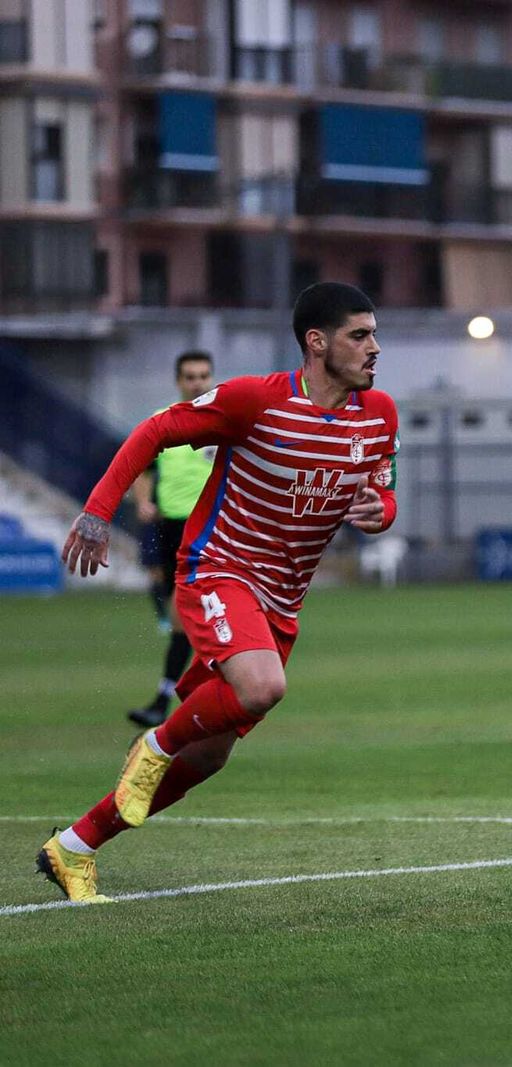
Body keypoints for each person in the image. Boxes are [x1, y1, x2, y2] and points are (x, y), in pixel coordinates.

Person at [37, 282, 398, 904]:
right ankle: (156, 741)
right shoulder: (253, 400)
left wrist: (380, 510)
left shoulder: (379, 413)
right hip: (219, 570)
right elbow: (153, 431)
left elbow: (384, 492)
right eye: (359, 336)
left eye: (374, 334)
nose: (375, 349)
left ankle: (73, 847)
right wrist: (98, 513)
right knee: (261, 689)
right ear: (317, 343)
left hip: (283, 602)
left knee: (207, 758)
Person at [125, 351, 217, 728]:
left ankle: (166, 701)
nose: (197, 382)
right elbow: (142, 469)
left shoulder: (220, 422)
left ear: (211, 378)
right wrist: (144, 501)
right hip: (170, 525)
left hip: (209, 527)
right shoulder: (164, 422)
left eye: (203, 376)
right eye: (190, 376)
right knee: (167, 593)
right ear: (178, 381)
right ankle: (181, 700)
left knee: (186, 616)